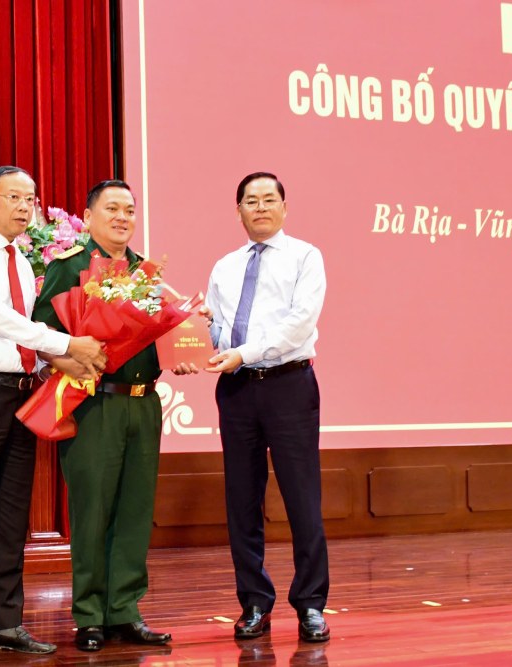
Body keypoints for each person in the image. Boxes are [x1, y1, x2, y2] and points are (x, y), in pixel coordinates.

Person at [0, 165, 106, 661]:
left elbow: (25, 333)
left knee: (11, 518)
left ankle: (5, 624)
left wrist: (64, 358)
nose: (22, 206)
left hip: (17, 396)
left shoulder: (22, 259)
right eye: (12, 196)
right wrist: (70, 342)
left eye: (30, 198)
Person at [33, 180, 181, 652]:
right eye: (112, 208)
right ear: (89, 215)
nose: (122, 217)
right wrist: (70, 358)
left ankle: (125, 610)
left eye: (130, 210)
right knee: (93, 509)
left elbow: (169, 334)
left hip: (145, 402)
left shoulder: (148, 273)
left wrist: (189, 348)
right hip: (94, 403)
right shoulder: (70, 267)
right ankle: (89, 615)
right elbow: (41, 332)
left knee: (136, 509)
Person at [204, 172, 331, 643]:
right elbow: (219, 328)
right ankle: (254, 602)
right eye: (250, 200)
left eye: (268, 199)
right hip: (237, 390)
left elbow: (300, 324)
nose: (260, 207)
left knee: (303, 499)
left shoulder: (305, 256)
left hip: (288, 385)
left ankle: (311, 604)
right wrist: (204, 341)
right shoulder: (224, 266)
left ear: (284, 207)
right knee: (242, 501)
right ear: (237, 210)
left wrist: (245, 352)